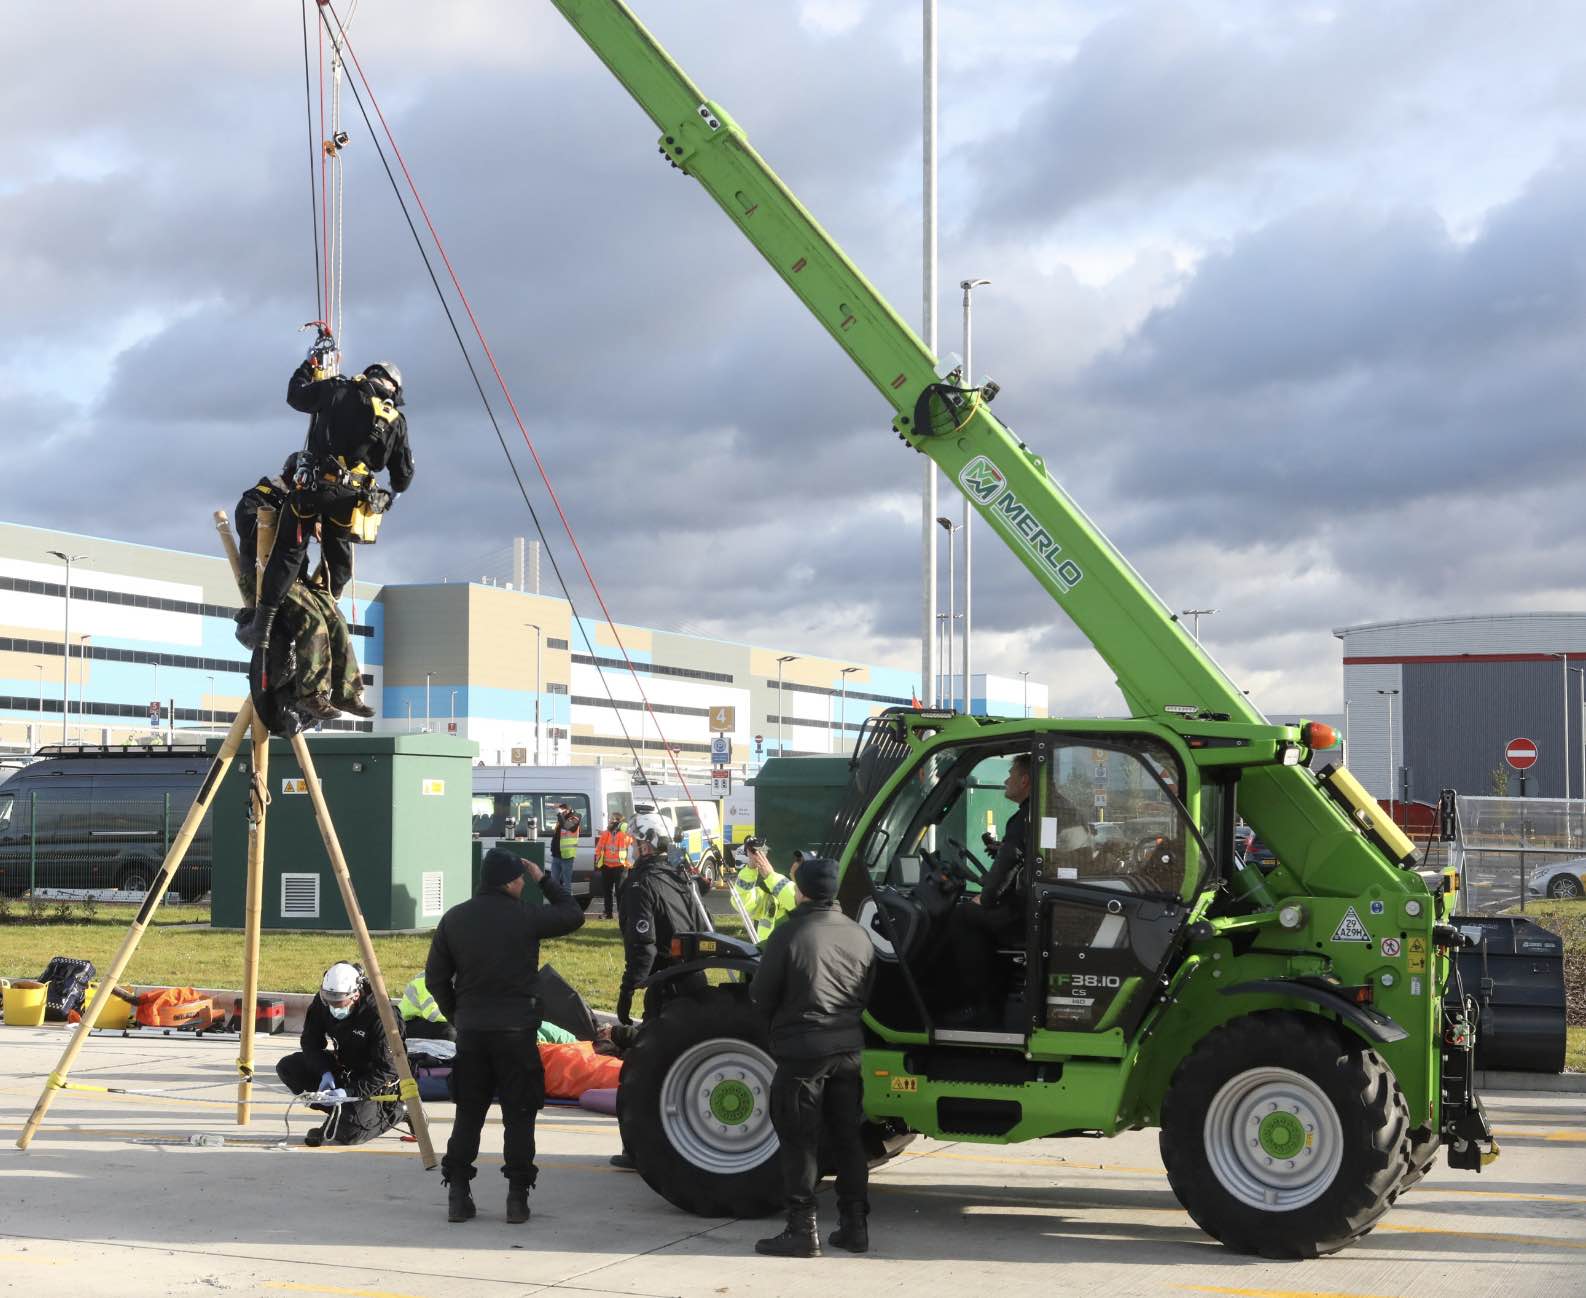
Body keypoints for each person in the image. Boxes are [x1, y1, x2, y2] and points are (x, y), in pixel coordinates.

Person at [424, 847, 584, 1224]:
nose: (522, 885)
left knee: (469, 1114)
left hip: (474, 1033)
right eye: (519, 880)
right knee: (519, 1114)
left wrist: (458, 1015)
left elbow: (435, 978)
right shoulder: (525, 916)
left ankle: (459, 1194)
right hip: (516, 1033)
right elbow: (573, 914)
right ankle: (517, 1198)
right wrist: (544, 878)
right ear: (510, 882)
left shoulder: (455, 919)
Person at [239, 351, 414, 654]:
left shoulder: (337, 389)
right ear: (394, 390)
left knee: (288, 553)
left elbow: (295, 396)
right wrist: (389, 497)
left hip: (311, 490)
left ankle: (263, 628)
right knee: (338, 561)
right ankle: (328, 612)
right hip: (348, 502)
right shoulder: (395, 422)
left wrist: (309, 365)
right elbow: (403, 477)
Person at [749, 856, 877, 1258]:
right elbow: (867, 991)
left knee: (800, 1140)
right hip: (848, 1049)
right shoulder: (859, 935)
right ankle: (855, 1226)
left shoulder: (790, 934)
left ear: (802, 890)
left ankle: (802, 1229)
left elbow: (760, 995)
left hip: (803, 1052)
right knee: (847, 1138)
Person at [944, 754, 1082, 1025]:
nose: (1006, 781)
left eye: (1010, 775)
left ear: (1025, 780)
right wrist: (1002, 850)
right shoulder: (1059, 808)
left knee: (962, 917)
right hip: (1055, 907)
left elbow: (1007, 866)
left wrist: (984, 898)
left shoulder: (1028, 816)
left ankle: (982, 1006)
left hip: (1033, 913)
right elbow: (1039, 853)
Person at [233, 463, 373, 721]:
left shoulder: (304, 503)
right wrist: (289, 517)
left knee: (334, 616)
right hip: (262, 577)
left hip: (293, 578)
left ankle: (346, 691)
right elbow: (253, 533)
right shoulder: (255, 499)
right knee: (312, 619)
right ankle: (312, 692)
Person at [609, 829, 704, 1171]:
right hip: (694, 977)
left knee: (646, 1070)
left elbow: (643, 944)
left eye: (635, 844)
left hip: (666, 984)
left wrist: (629, 987)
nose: (632, 849)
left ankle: (639, 1148)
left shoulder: (639, 885)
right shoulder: (679, 879)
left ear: (647, 847)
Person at [274, 962, 402, 1147]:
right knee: (289, 1068)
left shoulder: (379, 1014)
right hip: (344, 1067)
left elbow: (388, 1068)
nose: (334, 1007)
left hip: (375, 1080)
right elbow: (310, 1042)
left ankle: (396, 1111)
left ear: (355, 995)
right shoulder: (323, 1002)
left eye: (339, 1003)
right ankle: (340, 1112)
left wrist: (350, 1092)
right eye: (329, 1001)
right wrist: (324, 1071)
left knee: (349, 1135)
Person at [732, 840, 796, 942]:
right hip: (766, 954)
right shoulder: (771, 897)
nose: (796, 865)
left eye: (799, 861)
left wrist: (770, 876)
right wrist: (750, 868)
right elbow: (741, 903)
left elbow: (795, 901)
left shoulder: (808, 897)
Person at [592, 811, 632, 920]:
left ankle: (621, 914)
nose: (609, 820)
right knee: (607, 891)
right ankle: (608, 913)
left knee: (620, 892)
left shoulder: (624, 834)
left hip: (620, 866)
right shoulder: (606, 833)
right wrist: (597, 862)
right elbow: (599, 848)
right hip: (606, 866)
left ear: (617, 821)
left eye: (611, 819)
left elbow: (629, 842)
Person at [398, 972, 454, 1042]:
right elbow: (432, 1014)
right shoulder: (428, 979)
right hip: (407, 1025)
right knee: (449, 1031)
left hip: (424, 1021)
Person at [551, 802, 582, 893]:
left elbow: (567, 826)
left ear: (568, 810)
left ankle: (568, 906)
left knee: (566, 884)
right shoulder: (562, 817)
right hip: (556, 855)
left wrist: (559, 813)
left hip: (567, 856)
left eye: (563, 811)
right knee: (554, 883)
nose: (562, 813)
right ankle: (556, 904)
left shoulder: (576, 816)